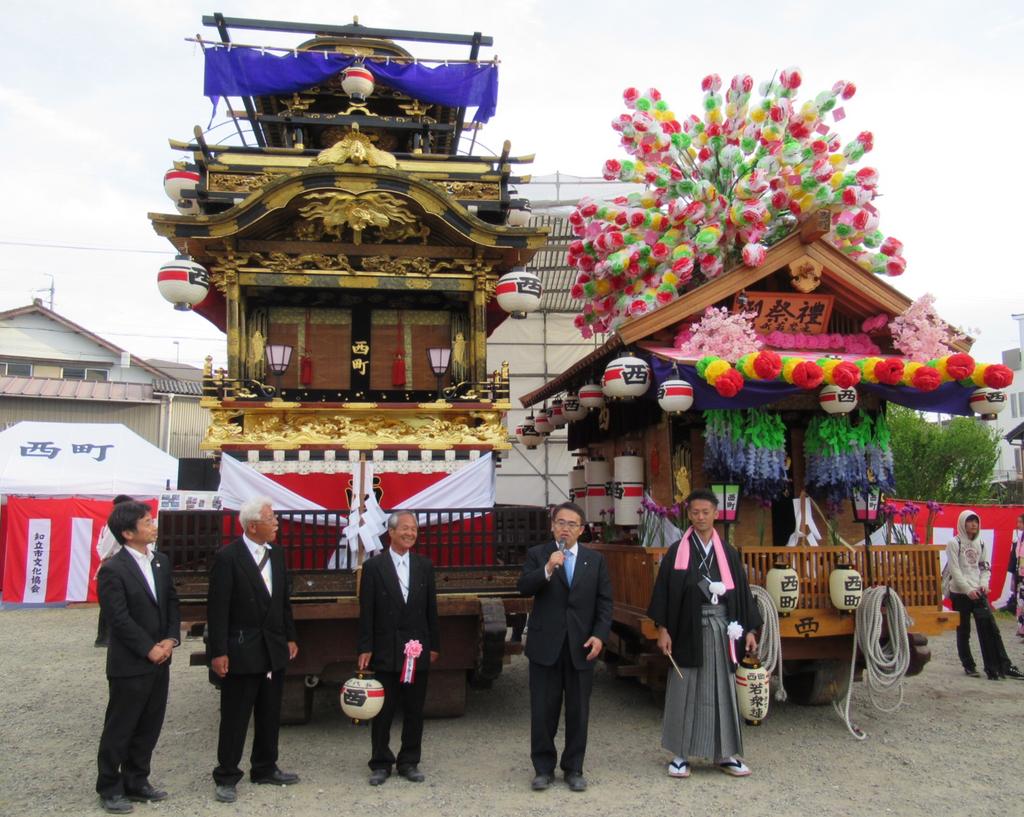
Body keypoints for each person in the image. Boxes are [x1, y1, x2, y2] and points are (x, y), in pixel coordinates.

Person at [647, 489, 762, 779]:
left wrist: (748, 629)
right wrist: (662, 629)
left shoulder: (729, 554)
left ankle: (724, 754)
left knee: (722, 689)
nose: (700, 517)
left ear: (716, 514)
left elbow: (743, 594)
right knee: (684, 689)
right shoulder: (678, 551)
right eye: (695, 512)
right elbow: (663, 592)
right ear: (689, 514)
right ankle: (680, 754)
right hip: (687, 628)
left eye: (706, 512)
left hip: (723, 628)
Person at [208, 497, 300, 803]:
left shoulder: (277, 554)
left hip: (272, 645)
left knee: (270, 711)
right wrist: (218, 651)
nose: (276, 524)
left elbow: (283, 600)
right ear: (252, 525)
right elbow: (218, 609)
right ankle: (227, 774)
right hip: (241, 646)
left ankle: (265, 766)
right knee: (236, 714)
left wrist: (289, 635)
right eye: (270, 519)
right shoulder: (228, 557)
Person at [517, 501, 613, 793]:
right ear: (552, 526)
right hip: (546, 645)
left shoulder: (594, 561)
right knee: (543, 710)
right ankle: (543, 769)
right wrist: (547, 569)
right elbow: (523, 587)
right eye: (561, 522)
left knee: (578, 710)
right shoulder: (538, 555)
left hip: (581, 646)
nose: (565, 528)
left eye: (572, 524)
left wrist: (599, 635)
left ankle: (574, 768)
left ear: (582, 530)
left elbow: (604, 602)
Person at [95, 501, 180, 814]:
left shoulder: (161, 561)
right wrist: (149, 648)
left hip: (162, 655)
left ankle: (137, 779)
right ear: (128, 533)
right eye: (146, 522)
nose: (153, 525)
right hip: (131, 662)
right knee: (121, 724)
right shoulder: (113, 569)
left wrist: (170, 639)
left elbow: (171, 601)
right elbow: (118, 618)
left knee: (149, 722)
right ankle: (109, 785)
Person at [357, 511, 440, 786]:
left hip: (416, 648)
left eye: (414, 529)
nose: (410, 533)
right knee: (383, 709)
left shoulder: (424, 566)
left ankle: (409, 760)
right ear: (390, 532)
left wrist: (434, 645)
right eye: (404, 528)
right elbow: (366, 611)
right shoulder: (374, 567)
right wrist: (365, 646)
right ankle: (380, 761)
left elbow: (431, 609)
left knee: (415, 709)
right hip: (385, 648)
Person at [946, 509, 1024, 681]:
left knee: (991, 629)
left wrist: (983, 585)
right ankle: (969, 665)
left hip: (978, 591)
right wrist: (967, 590)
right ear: (963, 523)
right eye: (970, 521)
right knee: (964, 629)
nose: (974, 524)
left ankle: (1000, 665)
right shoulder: (954, 542)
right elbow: (955, 570)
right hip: (960, 592)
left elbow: (984, 567)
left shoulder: (981, 542)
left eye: (976, 521)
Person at [94, 495, 136, 648]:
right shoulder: (115, 525)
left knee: (114, 602)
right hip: (114, 563)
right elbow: (104, 548)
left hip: (116, 561)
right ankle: (103, 637)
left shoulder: (113, 524)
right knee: (111, 602)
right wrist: (107, 558)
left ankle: (106, 636)